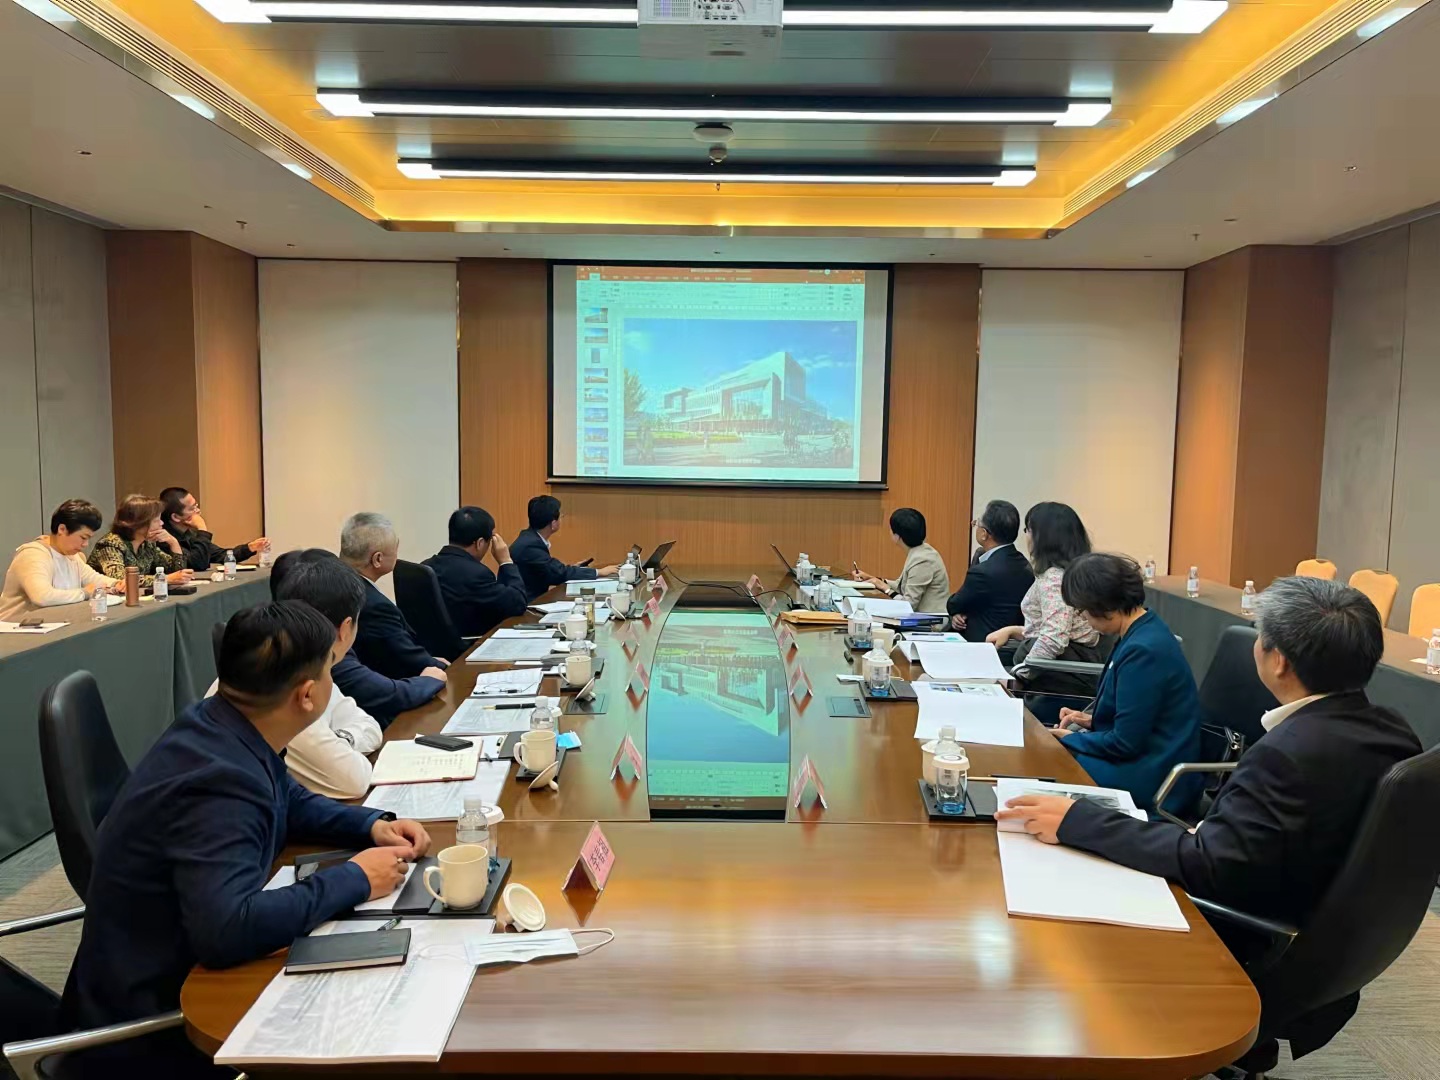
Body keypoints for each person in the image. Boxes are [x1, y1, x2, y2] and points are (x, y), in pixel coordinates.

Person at [998, 576, 1421, 1073]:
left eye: (1261, 636)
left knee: (1052, 920)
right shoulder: (1391, 729)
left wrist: (1080, 822)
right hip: (1307, 921)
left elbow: (1209, 866)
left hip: (1242, 928)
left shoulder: (1289, 754)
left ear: (1279, 661)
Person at [62, 601, 431, 1076]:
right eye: (329, 671)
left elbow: (286, 797)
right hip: (151, 1028)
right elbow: (227, 930)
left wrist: (370, 825)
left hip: (160, 962)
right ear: (307, 695)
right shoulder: (217, 783)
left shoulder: (218, 723)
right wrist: (355, 879)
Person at [204, 552, 384, 799]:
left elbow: (369, 726)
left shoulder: (303, 665)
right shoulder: (282, 692)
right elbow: (353, 781)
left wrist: (340, 740)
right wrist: (341, 745)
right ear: (345, 628)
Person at [1045, 553, 1201, 810]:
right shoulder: (1143, 629)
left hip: (1154, 774)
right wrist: (1092, 720)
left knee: (1053, 759)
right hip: (1146, 757)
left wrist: (1069, 738)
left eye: (1083, 611)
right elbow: (1139, 717)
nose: (1083, 619)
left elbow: (1125, 744)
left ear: (1102, 605)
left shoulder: (1143, 650)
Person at [277, 548, 446, 726]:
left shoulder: (284, 642)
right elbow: (386, 695)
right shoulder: (322, 662)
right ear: (346, 627)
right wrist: (428, 680)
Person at [986, 500, 1102, 666]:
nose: (1026, 536)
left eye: (1028, 530)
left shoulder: (1055, 579)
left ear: (1043, 537)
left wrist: (1022, 674)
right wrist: (1014, 630)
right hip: (1065, 664)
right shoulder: (1072, 574)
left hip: (1057, 671)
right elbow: (1063, 629)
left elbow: (1054, 639)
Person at [339, 512, 446, 679]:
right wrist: (441, 666)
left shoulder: (335, 580)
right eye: (396, 548)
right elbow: (406, 657)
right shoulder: (374, 606)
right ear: (377, 559)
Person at [0, 499, 120, 621]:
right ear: (62, 529)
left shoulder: (72, 556)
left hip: (54, 623)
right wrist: (84, 593)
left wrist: (116, 584)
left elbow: (93, 578)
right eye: (83, 537)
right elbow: (42, 596)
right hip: (17, 627)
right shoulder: (33, 554)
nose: (85, 544)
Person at [424, 506, 530, 637]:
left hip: (429, 646)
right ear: (479, 543)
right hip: (469, 645)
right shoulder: (477, 574)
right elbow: (517, 603)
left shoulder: (426, 567)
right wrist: (506, 561)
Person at [946, 499, 1034, 643]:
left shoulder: (982, 572)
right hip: (1015, 644)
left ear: (984, 534)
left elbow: (954, 604)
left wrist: (960, 612)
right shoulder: (1025, 565)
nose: (974, 526)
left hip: (983, 645)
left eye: (976, 524)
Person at [510, 495, 618, 600]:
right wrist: (599, 572)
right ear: (553, 524)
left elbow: (550, 570)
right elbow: (559, 573)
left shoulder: (529, 539)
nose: (561, 519)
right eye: (560, 517)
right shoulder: (530, 546)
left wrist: (574, 569)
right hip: (525, 605)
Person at [87, 494, 194, 592]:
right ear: (138, 524)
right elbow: (121, 580)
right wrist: (165, 578)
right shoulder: (109, 544)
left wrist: (173, 543)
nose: (161, 523)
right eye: (156, 520)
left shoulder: (146, 544)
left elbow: (177, 573)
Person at [853, 508, 951, 612]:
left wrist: (886, 589)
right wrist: (873, 579)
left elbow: (908, 606)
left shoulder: (923, 560)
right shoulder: (920, 551)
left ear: (897, 536)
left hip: (932, 619)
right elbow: (901, 586)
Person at [159, 486, 269, 572]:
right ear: (176, 517)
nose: (198, 511)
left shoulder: (189, 533)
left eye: (196, 505)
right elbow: (197, 564)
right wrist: (202, 529)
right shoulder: (164, 539)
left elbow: (220, 555)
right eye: (192, 509)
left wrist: (249, 548)